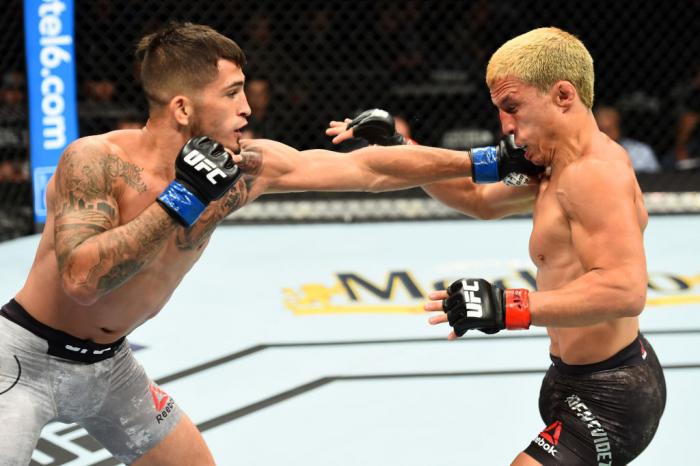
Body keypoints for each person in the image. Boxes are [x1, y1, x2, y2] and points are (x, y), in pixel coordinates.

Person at [0, 22, 540, 465]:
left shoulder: (242, 169)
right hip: (24, 363)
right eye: (232, 94)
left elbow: (368, 168)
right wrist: (182, 200)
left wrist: (488, 160)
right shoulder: (96, 161)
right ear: (183, 108)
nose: (247, 108)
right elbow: (83, 279)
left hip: (110, 367)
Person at [417, 27, 664, 465]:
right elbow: (477, 199)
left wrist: (508, 305)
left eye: (512, 108)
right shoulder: (550, 166)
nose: (506, 127)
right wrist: (405, 152)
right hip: (566, 377)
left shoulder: (595, 174)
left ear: (563, 95)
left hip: (612, 393)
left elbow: (625, 290)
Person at [594, 104, 661, 172]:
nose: (605, 135)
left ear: (619, 129)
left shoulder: (642, 152)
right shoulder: (586, 155)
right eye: (601, 130)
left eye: (609, 130)